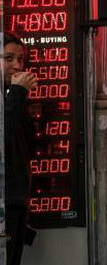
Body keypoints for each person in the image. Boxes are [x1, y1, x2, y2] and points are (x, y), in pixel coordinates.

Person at [3, 32, 37, 265]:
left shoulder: (10, 97)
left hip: (15, 203)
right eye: (8, 58)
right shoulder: (12, 96)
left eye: (20, 59)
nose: (17, 66)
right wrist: (18, 93)